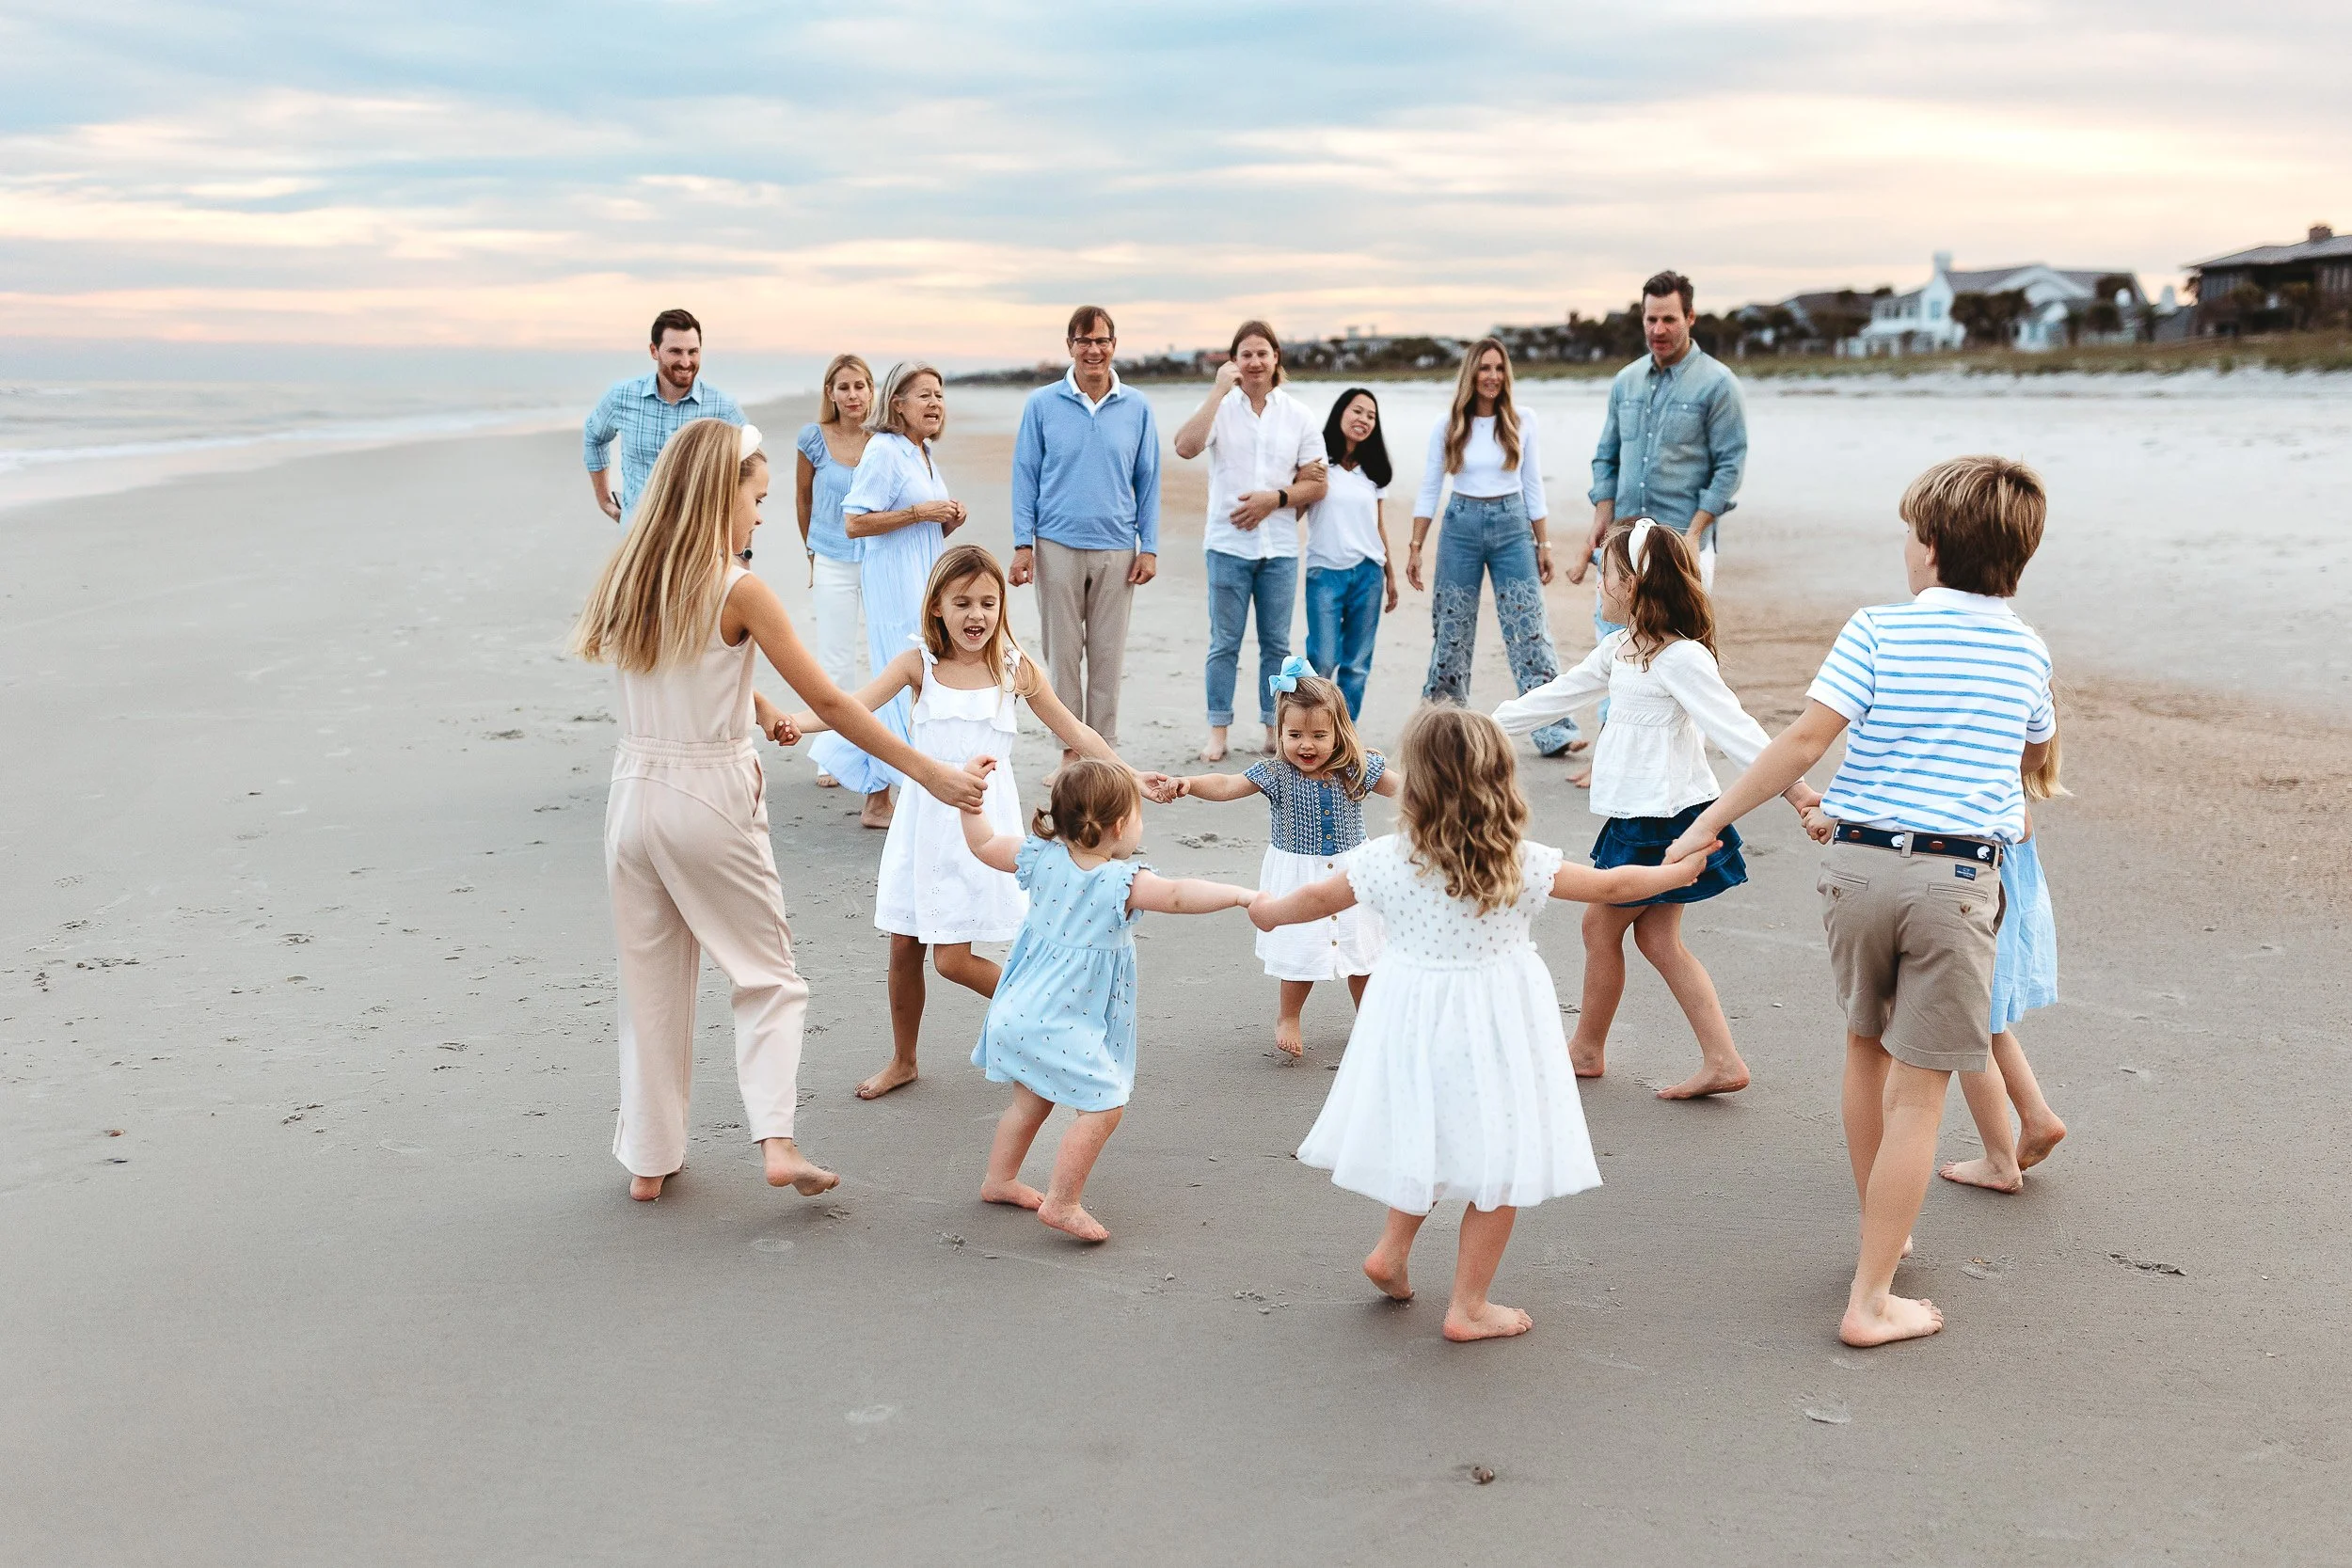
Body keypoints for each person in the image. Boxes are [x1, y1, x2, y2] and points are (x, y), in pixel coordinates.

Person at [1663, 454, 2057, 1348]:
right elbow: (2036, 751)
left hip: (1858, 868)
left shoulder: (1877, 630)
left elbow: (1804, 742)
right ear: (2017, 561)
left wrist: (1710, 820)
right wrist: (2010, 795)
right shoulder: (2027, 649)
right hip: (1956, 881)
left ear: (1928, 546)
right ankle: (1871, 1297)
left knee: (1863, 1050)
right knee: (1922, 1094)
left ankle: (1889, 1228)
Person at [567, 418, 986, 1203]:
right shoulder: (738, 588)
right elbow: (828, 698)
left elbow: (675, 668)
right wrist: (927, 771)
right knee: (769, 978)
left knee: (651, 980)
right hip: (708, 796)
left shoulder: (631, 572)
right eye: (755, 497)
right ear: (718, 492)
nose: (762, 515)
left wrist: (750, 697)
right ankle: (779, 1143)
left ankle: (650, 1161)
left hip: (632, 796)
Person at [1249, 707, 1710, 1340]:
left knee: (1429, 1137)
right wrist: (1674, 873)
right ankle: (1468, 1305)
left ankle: (1391, 1250)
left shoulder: (1384, 857)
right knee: (1501, 1155)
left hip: (1408, 1013)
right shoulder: (1517, 860)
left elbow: (1317, 898)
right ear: (1500, 782)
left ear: (1416, 783)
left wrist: (1271, 911)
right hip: (1495, 1020)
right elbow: (1610, 885)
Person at [786, 546, 1163, 1101]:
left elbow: (1077, 733)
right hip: (923, 823)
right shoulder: (919, 664)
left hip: (984, 829)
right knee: (903, 945)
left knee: (954, 961)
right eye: (962, 602)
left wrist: (1129, 775)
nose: (976, 615)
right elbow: (851, 707)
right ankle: (904, 1059)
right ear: (937, 606)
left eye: (988, 602)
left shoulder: (1013, 667)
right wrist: (796, 722)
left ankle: (1057, 1019)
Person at [1496, 519, 1819, 1100]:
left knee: (1601, 925)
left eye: (1607, 577)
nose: (1599, 587)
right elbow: (1561, 693)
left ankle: (1588, 1049)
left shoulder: (1680, 658)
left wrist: (1797, 794)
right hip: (1636, 814)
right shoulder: (1620, 650)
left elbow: (1736, 728)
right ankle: (1717, 1059)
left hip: (1666, 819)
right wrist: (1484, 727)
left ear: (1636, 584)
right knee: (1657, 940)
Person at [960, 757, 1260, 1243]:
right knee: (1104, 1104)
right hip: (1061, 1018)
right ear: (1121, 825)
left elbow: (984, 843)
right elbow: (1181, 894)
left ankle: (1000, 1180)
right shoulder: (1120, 882)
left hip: (1018, 1010)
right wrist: (1242, 896)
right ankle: (1062, 1202)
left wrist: (970, 801)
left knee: (1029, 1103)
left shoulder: (1039, 856)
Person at [1809, 744, 2069, 1192]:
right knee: (1983, 1023)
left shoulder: (1970, 758)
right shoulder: (1987, 740)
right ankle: (2034, 1115)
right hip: (1980, 891)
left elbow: (2017, 827)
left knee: (1966, 1025)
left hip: (1972, 893)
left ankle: (2001, 1159)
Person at [1152, 663, 1400, 1060]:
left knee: (1364, 949)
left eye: (1319, 735)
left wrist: (1443, 796)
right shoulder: (1276, 773)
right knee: (1300, 949)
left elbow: (1404, 789)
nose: (1307, 745)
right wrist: (1190, 784)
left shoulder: (1356, 768)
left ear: (1339, 733)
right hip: (1297, 874)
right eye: (1295, 735)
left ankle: (1370, 1017)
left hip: (1354, 873)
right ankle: (1288, 1016)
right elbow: (1227, 784)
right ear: (1279, 733)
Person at [808, 361, 966, 830]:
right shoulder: (885, 449)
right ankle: (878, 798)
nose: (935, 403)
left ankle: (891, 797)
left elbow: (923, 522)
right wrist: (921, 512)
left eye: (939, 394)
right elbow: (854, 521)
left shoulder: (921, 454)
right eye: (924, 395)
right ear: (897, 404)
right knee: (901, 681)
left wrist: (948, 519)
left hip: (924, 579)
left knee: (920, 683)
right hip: (895, 584)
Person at [1009, 306, 1163, 773]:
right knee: (1062, 655)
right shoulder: (1042, 404)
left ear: (1114, 345)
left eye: (1102, 341)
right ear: (1069, 345)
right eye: (1084, 341)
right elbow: (1025, 474)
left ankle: (1104, 749)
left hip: (1117, 547)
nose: (1093, 350)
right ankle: (1072, 750)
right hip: (1056, 543)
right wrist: (1023, 543)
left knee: (1107, 654)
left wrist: (1149, 546)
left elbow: (1149, 478)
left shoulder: (1136, 406)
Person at [1406, 338, 1577, 758]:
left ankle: (1554, 730)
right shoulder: (1448, 425)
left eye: (1499, 368)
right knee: (1452, 632)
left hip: (1512, 527)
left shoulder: (1522, 420)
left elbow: (1532, 484)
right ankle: (1441, 727)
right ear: (1471, 373)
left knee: (1529, 630)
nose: (1492, 376)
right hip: (1460, 526)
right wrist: (1415, 546)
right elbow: (1430, 487)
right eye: (1484, 368)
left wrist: (1544, 542)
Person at [1171, 321, 1328, 762]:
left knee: (1276, 646)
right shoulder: (1221, 409)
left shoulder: (1298, 415)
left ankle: (1273, 728)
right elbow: (1185, 447)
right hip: (1226, 545)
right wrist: (1217, 392)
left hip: (1279, 548)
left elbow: (1317, 484)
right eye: (1246, 355)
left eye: (1263, 353)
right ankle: (1218, 730)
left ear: (1276, 357)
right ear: (1234, 362)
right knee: (1225, 642)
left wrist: (1273, 499)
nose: (1255, 362)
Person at [1573, 270, 1747, 612]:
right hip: (1621, 544)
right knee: (1613, 650)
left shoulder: (1719, 384)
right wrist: (1601, 517)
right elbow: (1606, 457)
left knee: (1677, 651)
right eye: (1651, 319)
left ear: (1690, 317)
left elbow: (1730, 467)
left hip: (1680, 544)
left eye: (1669, 319)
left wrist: (1694, 534)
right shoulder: (1625, 381)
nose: (1658, 329)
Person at [793, 356, 875, 784]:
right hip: (830, 558)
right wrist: (811, 552)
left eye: (860, 386)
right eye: (844, 387)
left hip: (879, 560)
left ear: (871, 389)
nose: (853, 395)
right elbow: (803, 499)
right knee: (836, 660)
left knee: (886, 658)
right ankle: (832, 753)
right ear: (831, 393)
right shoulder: (813, 438)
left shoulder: (885, 439)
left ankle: (883, 752)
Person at [583, 308, 745, 524]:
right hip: (636, 538)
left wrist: (738, 542)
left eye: (693, 351)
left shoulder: (723, 407)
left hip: (697, 544)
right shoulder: (621, 397)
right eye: (676, 351)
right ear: (654, 351)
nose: (686, 362)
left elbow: (750, 468)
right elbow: (594, 437)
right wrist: (604, 500)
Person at [1303, 388, 1399, 720]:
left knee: (1356, 663)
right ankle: (1309, 727)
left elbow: (1379, 525)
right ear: (1341, 412)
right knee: (1323, 659)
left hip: (1368, 572)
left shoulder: (1373, 472)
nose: (1364, 420)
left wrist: (1390, 576)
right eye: (1357, 411)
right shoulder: (1316, 464)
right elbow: (1297, 511)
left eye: (1371, 416)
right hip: (1324, 573)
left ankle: (1346, 734)